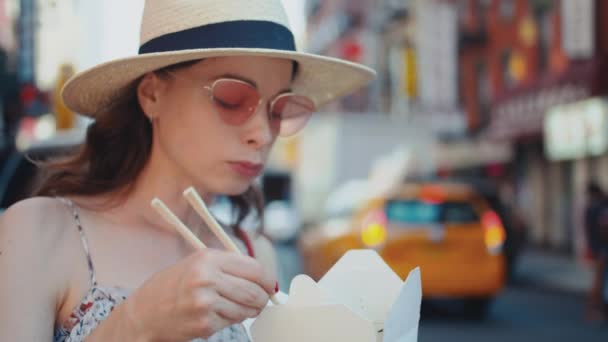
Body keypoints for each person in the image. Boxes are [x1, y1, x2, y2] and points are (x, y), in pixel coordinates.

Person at [0, 1, 375, 341]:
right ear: (152, 95)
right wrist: (136, 322)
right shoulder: (39, 233)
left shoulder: (253, 252)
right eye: (232, 99)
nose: (262, 133)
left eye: (279, 109)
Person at [584, 181, 608, 321]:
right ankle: (594, 310)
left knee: (599, 281)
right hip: (601, 249)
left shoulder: (592, 207)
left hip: (597, 248)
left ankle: (596, 310)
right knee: (598, 281)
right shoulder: (597, 207)